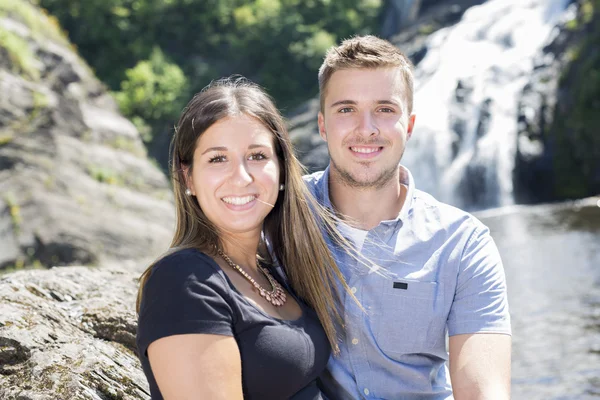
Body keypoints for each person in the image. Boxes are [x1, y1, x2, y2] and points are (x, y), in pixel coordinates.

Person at [305, 35, 512, 399]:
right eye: (346, 109)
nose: (366, 128)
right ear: (322, 125)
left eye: (385, 109)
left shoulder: (462, 243)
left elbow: (484, 389)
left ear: (410, 125)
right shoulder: (279, 214)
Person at [135, 77, 359, 399]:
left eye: (257, 156)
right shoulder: (183, 281)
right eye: (217, 158)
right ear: (189, 178)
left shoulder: (273, 268)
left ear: (281, 169)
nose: (241, 177)